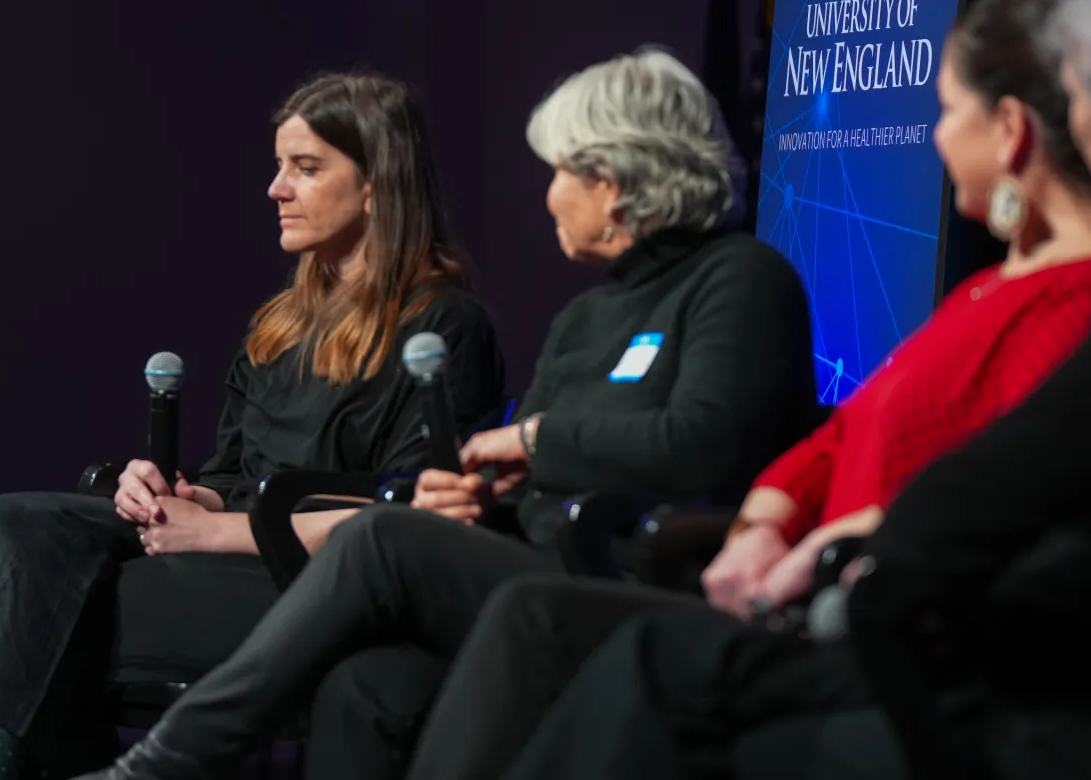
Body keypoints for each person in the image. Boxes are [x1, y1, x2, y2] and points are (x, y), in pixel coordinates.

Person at [464, 1, 1091, 777]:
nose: (936, 137)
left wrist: (833, 547)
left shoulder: (1090, 301)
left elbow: (1000, 488)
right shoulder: (983, 291)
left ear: (1009, 131)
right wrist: (764, 520)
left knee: (586, 642)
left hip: (884, 629)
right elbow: (839, 435)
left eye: (946, 111)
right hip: (808, 595)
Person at [78, 47, 820, 780]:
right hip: (533, 560)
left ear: (616, 180)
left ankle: (169, 759)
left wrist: (534, 441)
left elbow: (704, 442)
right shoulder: (588, 316)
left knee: (380, 535)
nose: (550, 195)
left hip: (630, 573)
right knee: (366, 684)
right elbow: (531, 474)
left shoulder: (742, 278)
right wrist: (474, 495)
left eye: (563, 172)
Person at [0, 72, 505, 780]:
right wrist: (175, 496)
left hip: (316, 586)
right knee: (16, 526)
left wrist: (216, 532)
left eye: (306, 168)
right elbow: (230, 476)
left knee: (39, 611)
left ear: (378, 184)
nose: (276, 189)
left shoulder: (444, 327)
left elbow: (408, 521)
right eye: (279, 166)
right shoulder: (279, 327)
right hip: (232, 552)